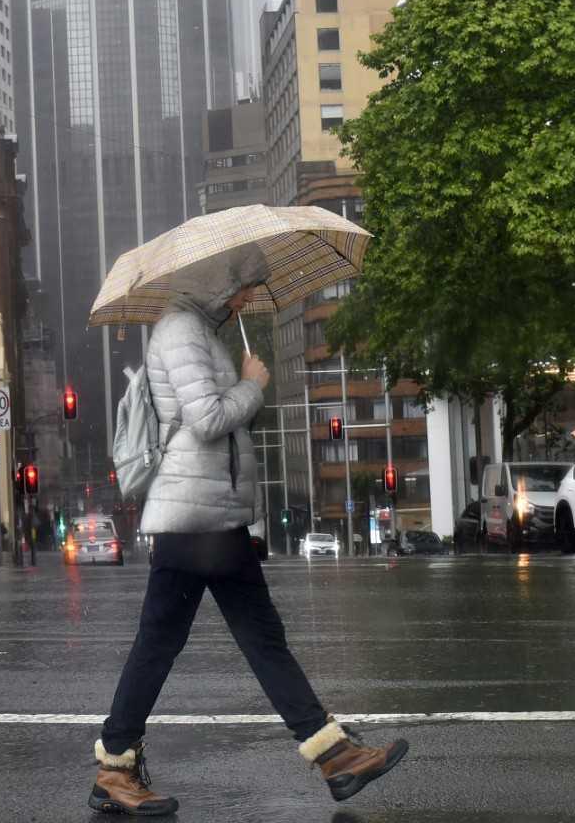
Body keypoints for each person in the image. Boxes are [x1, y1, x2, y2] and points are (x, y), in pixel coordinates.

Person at [88, 251, 407, 816]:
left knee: (177, 642)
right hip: (196, 518)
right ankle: (333, 756)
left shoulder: (200, 331)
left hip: (208, 515)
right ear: (217, 281)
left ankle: (117, 768)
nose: (245, 300)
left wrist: (242, 383)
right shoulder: (182, 330)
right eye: (241, 288)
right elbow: (208, 419)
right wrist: (252, 385)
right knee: (247, 639)